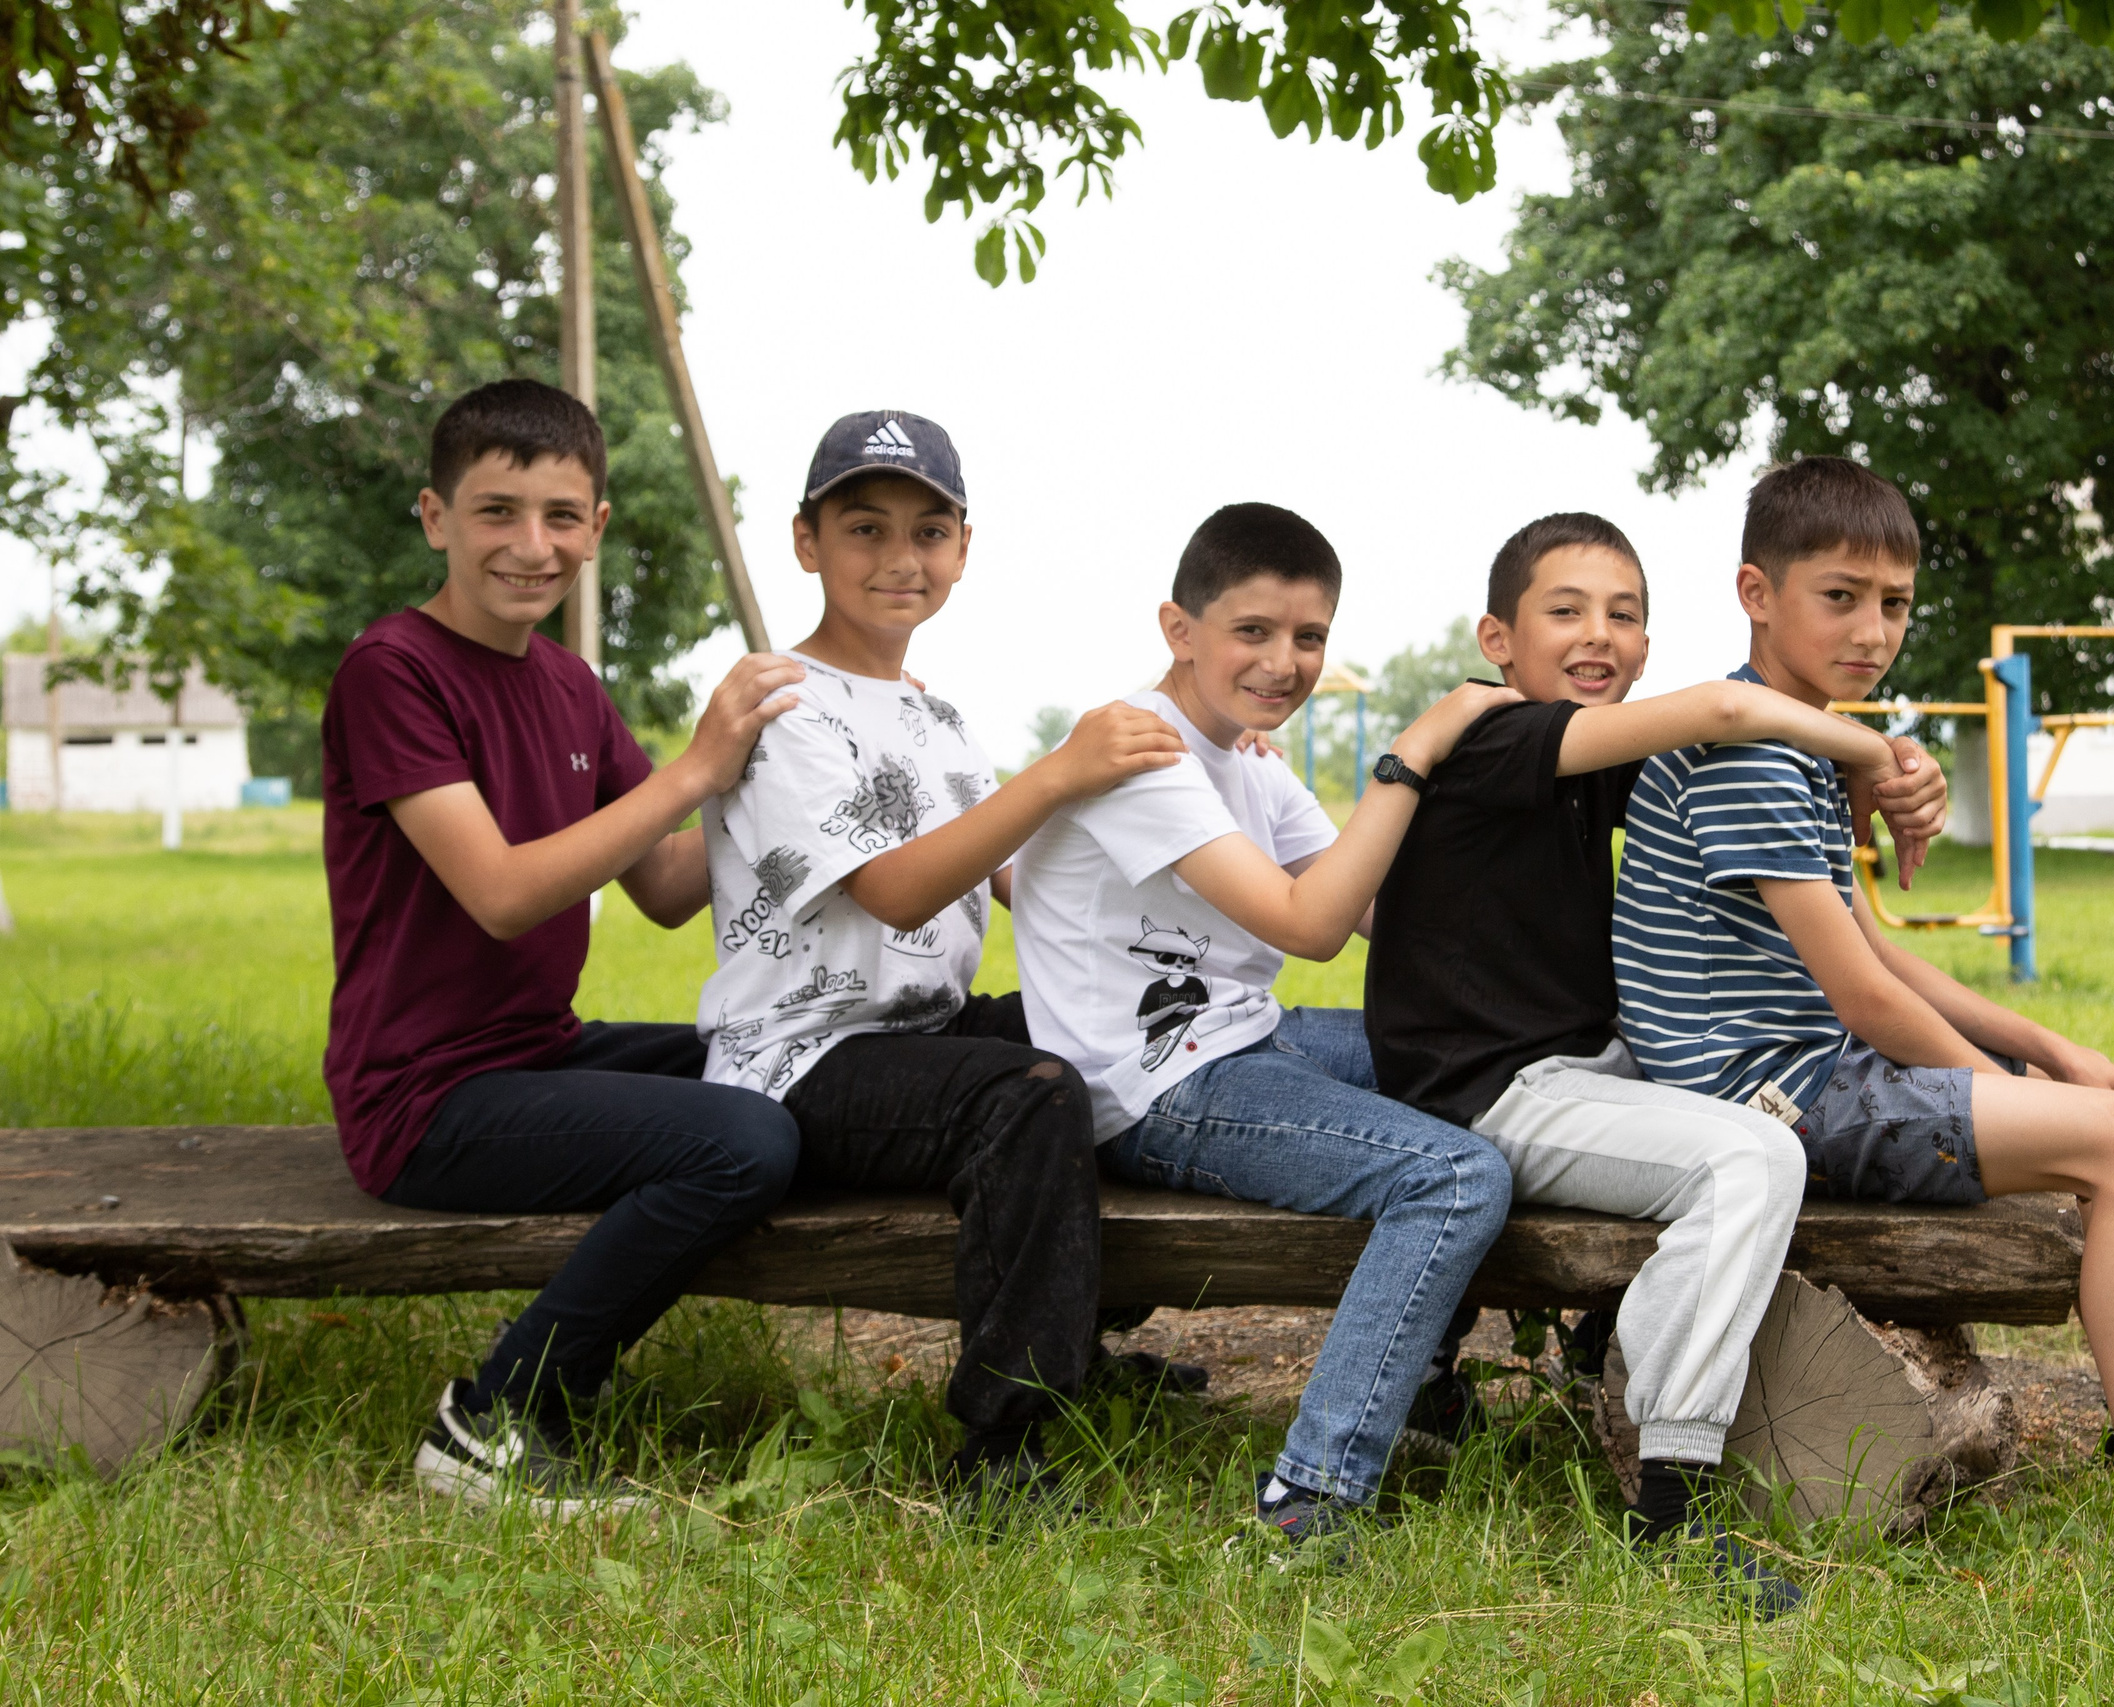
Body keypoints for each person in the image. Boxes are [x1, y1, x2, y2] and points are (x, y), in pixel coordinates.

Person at [1610, 456, 2114, 1586]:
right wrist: (2019, 1090)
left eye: (1895, 604)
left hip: (1813, 1066)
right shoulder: (1756, 753)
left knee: (2112, 1106)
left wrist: (2050, 1050)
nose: (1873, 630)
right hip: (1763, 1104)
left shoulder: (1806, 737)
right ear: (1755, 593)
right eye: (1840, 597)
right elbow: (1861, 998)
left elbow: (1871, 946)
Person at [1363, 512, 1946, 1613]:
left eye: (1624, 615)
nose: (1601, 636)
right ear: (1498, 638)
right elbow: (1727, 708)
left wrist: (1892, 784)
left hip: (1599, 1068)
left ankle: (1604, 1348)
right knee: (1750, 1159)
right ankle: (1669, 1507)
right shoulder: (1498, 735)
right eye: (1566, 612)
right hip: (1498, 1092)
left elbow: (1730, 768)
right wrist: (1879, 748)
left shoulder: (1595, 759)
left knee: (1748, 1110)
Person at [321, 378, 808, 1512]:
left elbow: (671, 886)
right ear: (436, 517)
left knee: (784, 1057)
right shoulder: (391, 671)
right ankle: (496, 1415)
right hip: (423, 1101)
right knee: (741, 1140)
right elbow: (499, 894)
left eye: (558, 516)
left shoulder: (570, 685)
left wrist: (815, 809)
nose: (529, 545)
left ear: (595, 526)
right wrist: (694, 771)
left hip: (536, 1050)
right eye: (496, 512)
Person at [696, 410, 1194, 1513]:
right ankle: (1003, 1447)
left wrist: (1188, 743)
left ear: (962, 550)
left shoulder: (937, 716)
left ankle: (1082, 1346)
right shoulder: (783, 705)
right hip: (801, 1058)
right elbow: (897, 886)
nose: (898, 559)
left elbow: (1012, 877)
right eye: (864, 528)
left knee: (1098, 1040)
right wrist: (1058, 772)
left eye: (927, 532)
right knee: (1028, 1096)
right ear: (805, 542)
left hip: (918, 1034)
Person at [1005, 501, 1519, 1551]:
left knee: (1483, 1064)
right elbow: (1311, 924)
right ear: (1178, 628)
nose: (1283, 662)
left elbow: (1385, 911)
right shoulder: (1143, 753)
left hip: (1246, 1042)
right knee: (1454, 1175)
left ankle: (1416, 1371)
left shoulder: (1247, 756)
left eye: (1309, 637)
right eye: (1253, 631)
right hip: (1152, 1087)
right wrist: (1412, 752)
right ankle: (1313, 1492)